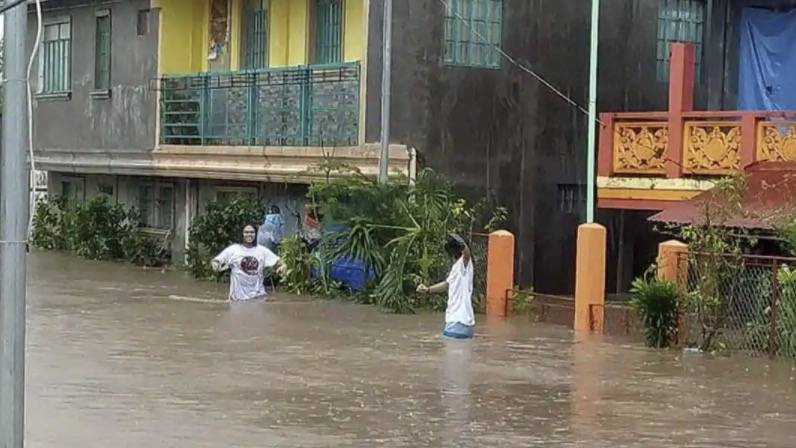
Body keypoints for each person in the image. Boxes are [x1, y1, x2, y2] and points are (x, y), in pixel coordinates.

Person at [416, 234, 475, 339]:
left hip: (456, 322)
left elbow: (467, 255)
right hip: (464, 324)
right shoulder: (457, 267)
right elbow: (447, 284)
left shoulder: (465, 263)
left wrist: (461, 242)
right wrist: (428, 289)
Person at [211, 224, 280, 302]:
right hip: (237, 299)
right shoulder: (233, 250)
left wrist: (282, 267)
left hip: (258, 297)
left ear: (255, 234)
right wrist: (215, 264)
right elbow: (217, 260)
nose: (249, 234)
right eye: (246, 232)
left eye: (252, 232)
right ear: (242, 234)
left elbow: (278, 261)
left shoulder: (262, 251)